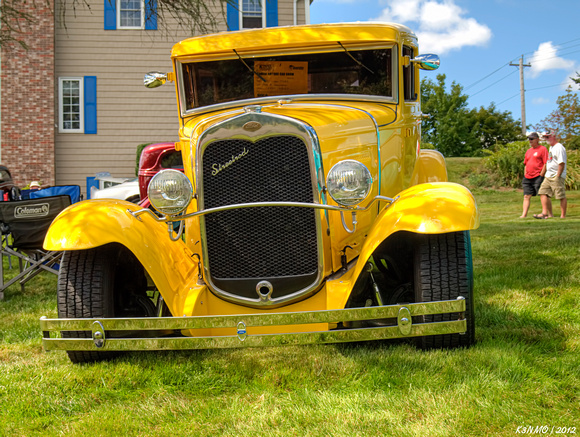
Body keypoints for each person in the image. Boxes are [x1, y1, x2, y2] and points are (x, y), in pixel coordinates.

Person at [534, 130, 567, 219]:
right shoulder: (551, 147)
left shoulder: (559, 147)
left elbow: (561, 163)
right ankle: (545, 213)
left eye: (548, 137)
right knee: (542, 192)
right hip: (548, 175)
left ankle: (563, 216)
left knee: (560, 195)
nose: (546, 139)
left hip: (556, 175)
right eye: (545, 137)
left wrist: (558, 176)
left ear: (553, 136)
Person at [520, 132, 548, 218]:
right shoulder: (528, 151)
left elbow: (546, 163)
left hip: (538, 176)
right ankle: (524, 215)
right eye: (529, 139)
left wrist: (541, 175)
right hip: (528, 176)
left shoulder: (542, 149)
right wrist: (525, 174)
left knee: (543, 194)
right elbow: (526, 163)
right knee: (526, 195)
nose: (530, 141)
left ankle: (546, 213)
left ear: (537, 139)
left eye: (532, 139)